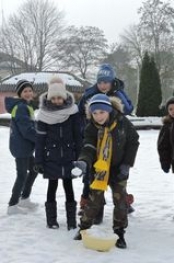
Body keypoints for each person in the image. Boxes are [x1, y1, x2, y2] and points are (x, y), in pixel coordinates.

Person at [73, 94, 139, 249]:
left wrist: (127, 164)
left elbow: (133, 141)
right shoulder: (91, 128)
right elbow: (89, 147)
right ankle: (84, 228)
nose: (98, 116)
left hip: (119, 169)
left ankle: (119, 231)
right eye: (94, 113)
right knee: (93, 200)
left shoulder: (122, 122)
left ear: (109, 111)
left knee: (120, 201)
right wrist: (83, 161)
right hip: (99, 169)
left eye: (102, 112)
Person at [77, 63, 134, 221]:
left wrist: (117, 91)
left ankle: (123, 202)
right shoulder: (91, 93)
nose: (103, 85)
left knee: (117, 175)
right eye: (100, 82)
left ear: (112, 82)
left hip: (115, 141)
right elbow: (81, 109)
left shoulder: (117, 93)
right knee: (91, 175)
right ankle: (90, 206)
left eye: (106, 82)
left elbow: (128, 108)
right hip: (94, 137)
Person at [34, 76, 82, 230]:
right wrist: (38, 161)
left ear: (64, 97)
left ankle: (71, 221)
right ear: (49, 98)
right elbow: (40, 141)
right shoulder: (43, 116)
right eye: (53, 98)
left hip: (69, 157)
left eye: (59, 97)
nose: (56, 100)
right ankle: (51, 220)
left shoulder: (73, 113)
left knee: (69, 187)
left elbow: (78, 136)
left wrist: (80, 158)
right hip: (51, 158)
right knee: (52, 187)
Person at [5, 79, 38, 215]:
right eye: (25, 91)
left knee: (34, 170)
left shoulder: (25, 105)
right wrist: (40, 139)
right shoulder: (21, 107)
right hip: (21, 147)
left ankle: (24, 198)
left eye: (30, 90)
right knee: (22, 175)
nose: (28, 93)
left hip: (25, 147)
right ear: (19, 93)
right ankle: (12, 205)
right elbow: (26, 130)